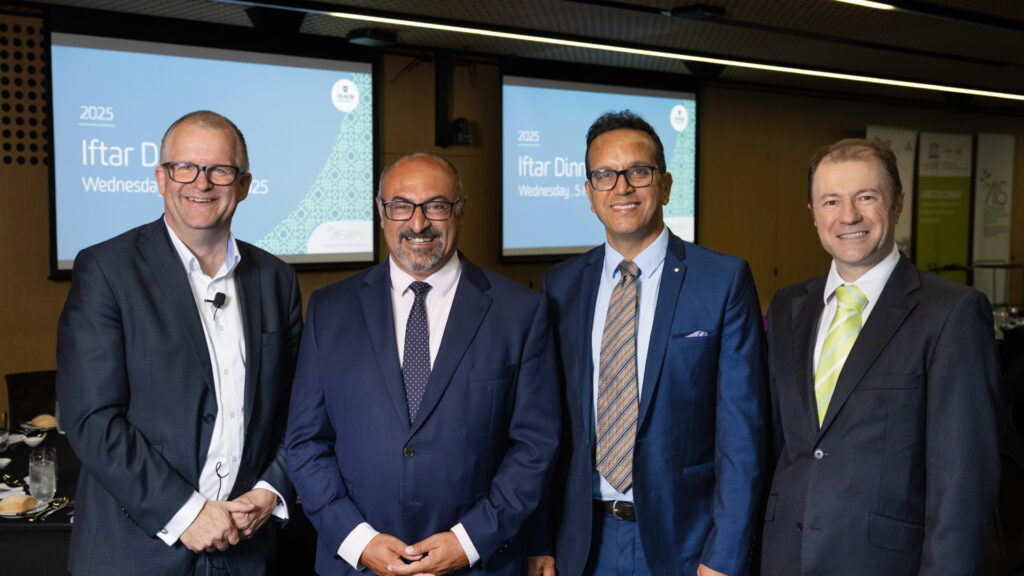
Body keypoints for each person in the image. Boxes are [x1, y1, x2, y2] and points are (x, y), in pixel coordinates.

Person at [285, 152, 560, 576]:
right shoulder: (329, 310)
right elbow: (306, 443)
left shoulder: (520, 312)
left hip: (478, 563)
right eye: (401, 206)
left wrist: (469, 542)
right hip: (358, 565)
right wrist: (358, 541)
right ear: (381, 213)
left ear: (460, 211)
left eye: (436, 206)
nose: (417, 224)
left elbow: (535, 446)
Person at [56, 110, 302, 575]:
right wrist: (186, 512)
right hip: (134, 552)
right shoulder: (106, 270)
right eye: (184, 167)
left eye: (219, 170)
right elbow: (91, 418)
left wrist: (270, 491)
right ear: (161, 179)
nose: (201, 183)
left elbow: (298, 410)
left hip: (248, 549)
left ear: (244, 185)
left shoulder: (277, 280)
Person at [529, 111, 768, 576]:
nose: (622, 187)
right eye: (605, 175)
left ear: (666, 185)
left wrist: (725, 555)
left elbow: (742, 436)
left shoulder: (722, 280)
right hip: (582, 543)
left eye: (638, 171)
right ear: (589, 194)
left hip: (686, 544)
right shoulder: (561, 286)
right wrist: (540, 538)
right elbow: (545, 427)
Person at [761, 138, 1000, 575]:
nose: (848, 215)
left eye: (866, 197)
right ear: (813, 213)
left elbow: (964, 479)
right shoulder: (786, 307)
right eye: (831, 201)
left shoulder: (951, 313)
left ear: (898, 203)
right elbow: (776, 447)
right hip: (783, 559)